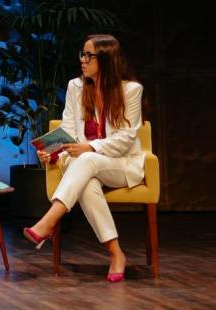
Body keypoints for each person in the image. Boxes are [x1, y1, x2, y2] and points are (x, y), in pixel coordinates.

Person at [23, 34, 144, 283]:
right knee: (87, 182)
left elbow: (126, 139)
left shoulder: (131, 90)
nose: (83, 60)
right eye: (82, 54)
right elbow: (67, 130)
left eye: (89, 56)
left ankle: (47, 223)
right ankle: (116, 254)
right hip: (84, 165)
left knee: (86, 161)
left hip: (121, 164)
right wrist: (50, 150)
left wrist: (89, 147)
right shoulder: (75, 87)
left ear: (107, 60)